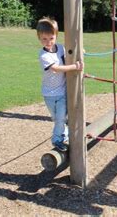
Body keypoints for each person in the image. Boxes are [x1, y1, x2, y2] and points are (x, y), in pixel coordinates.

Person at [36, 17, 84, 152]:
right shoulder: (43, 55)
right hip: (49, 94)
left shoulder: (61, 48)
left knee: (61, 118)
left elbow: (71, 54)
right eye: (44, 39)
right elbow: (56, 68)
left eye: (51, 38)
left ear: (56, 36)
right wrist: (74, 66)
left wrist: (80, 53)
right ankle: (64, 134)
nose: (48, 42)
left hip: (62, 92)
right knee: (57, 118)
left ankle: (57, 140)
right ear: (39, 38)